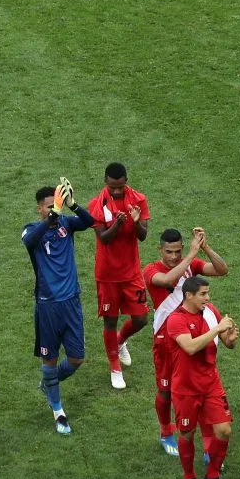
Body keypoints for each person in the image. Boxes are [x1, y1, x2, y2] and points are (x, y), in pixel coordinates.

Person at [143, 227, 229, 455]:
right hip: (165, 340)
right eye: (169, 252)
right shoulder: (151, 270)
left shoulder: (190, 263)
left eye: (178, 252)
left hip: (192, 334)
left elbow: (222, 270)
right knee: (165, 390)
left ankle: (208, 441)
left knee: (198, 388)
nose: (173, 256)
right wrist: (190, 255)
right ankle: (165, 432)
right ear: (160, 249)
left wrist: (205, 247)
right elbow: (168, 280)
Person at [23, 180, 95, 434]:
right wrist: (50, 217)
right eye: (46, 207)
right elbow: (29, 241)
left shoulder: (67, 224)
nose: (50, 210)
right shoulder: (31, 229)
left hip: (72, 302)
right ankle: (58, 411)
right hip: (48, 306)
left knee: (76, 359)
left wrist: (72, 204)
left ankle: (49, 383)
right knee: (50, 359)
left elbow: (89, 222)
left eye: (53, 205)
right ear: (39, 209)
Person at [165, 277, 238, 479]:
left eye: (208, 293)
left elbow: (227, 341)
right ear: (189, 296)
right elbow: (190, 347)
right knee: (187, 434)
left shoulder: (210, 311)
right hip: (186, 388)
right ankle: (190, 478)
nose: (208, 298)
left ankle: (212, 476)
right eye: (203, 294)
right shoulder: (175, 319)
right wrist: (217, 329)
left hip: (211, 384)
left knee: (224, 430)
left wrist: (231, 338)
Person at [87, 162, 150, 389]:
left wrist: (134, 223)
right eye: (113, 187)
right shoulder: (96, 204)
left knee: (141, 319)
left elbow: (143, 236)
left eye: (120, 187)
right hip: (107, 274)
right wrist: (117, 224)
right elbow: (103, 238)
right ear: (105, 181)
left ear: (126, 181)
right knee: (110, 320)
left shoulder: (138, 200)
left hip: (131, 272)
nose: (116, 191)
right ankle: (115, 368)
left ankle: (121, 341)